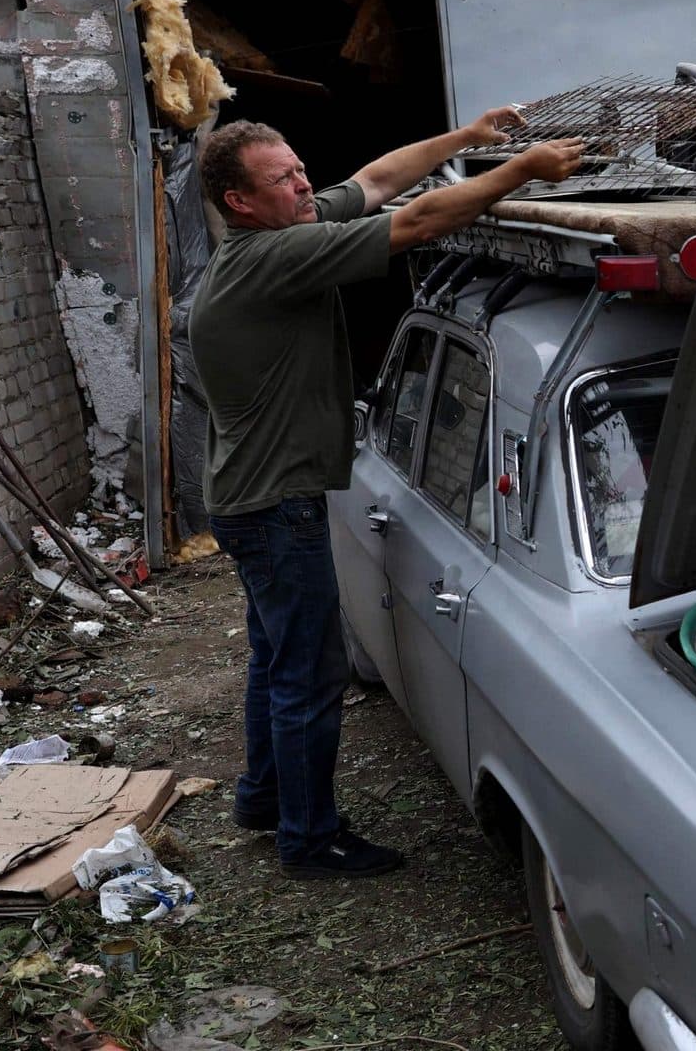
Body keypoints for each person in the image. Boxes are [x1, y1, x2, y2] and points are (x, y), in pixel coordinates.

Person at [190, 111, 585, 880]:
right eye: (284, 179)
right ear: (241, 203)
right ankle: (309, 838)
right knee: (310, 674)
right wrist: (522, 170)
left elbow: (377, 181)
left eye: (300, 169)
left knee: (278, 660)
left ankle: (263, 799)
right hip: (276, 509)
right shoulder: (271, 257)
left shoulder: (284, 227)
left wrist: (463, 140)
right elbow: (418, 221)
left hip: (252, 502)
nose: (305, 185)